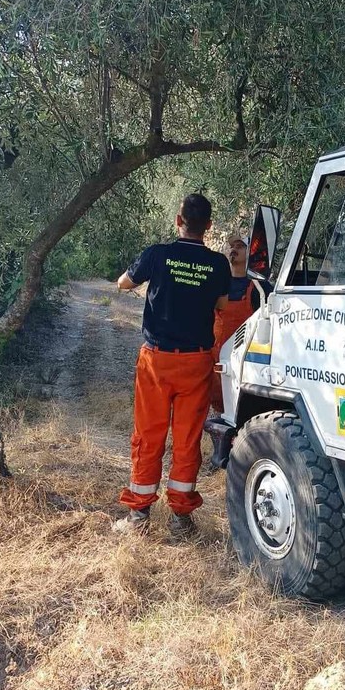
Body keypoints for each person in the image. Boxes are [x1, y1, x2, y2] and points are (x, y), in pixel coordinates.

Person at [113, 194, 231, 536]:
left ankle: (139, 516)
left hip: (157, 361)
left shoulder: (157, 254)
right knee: (187, 438)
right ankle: (180, 518)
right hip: (196, 362)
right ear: (208, 226)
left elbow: (124, 284)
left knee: (148, 435)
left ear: (178, 220)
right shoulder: (219, 264)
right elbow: (222, 303)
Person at [210, 233, 272, 412]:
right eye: (233, 246)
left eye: (240, 246)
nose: (234, 250)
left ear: (251, 254)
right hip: (216, 360)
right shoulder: (218, 283)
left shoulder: (260, 288)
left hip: (243, 363)